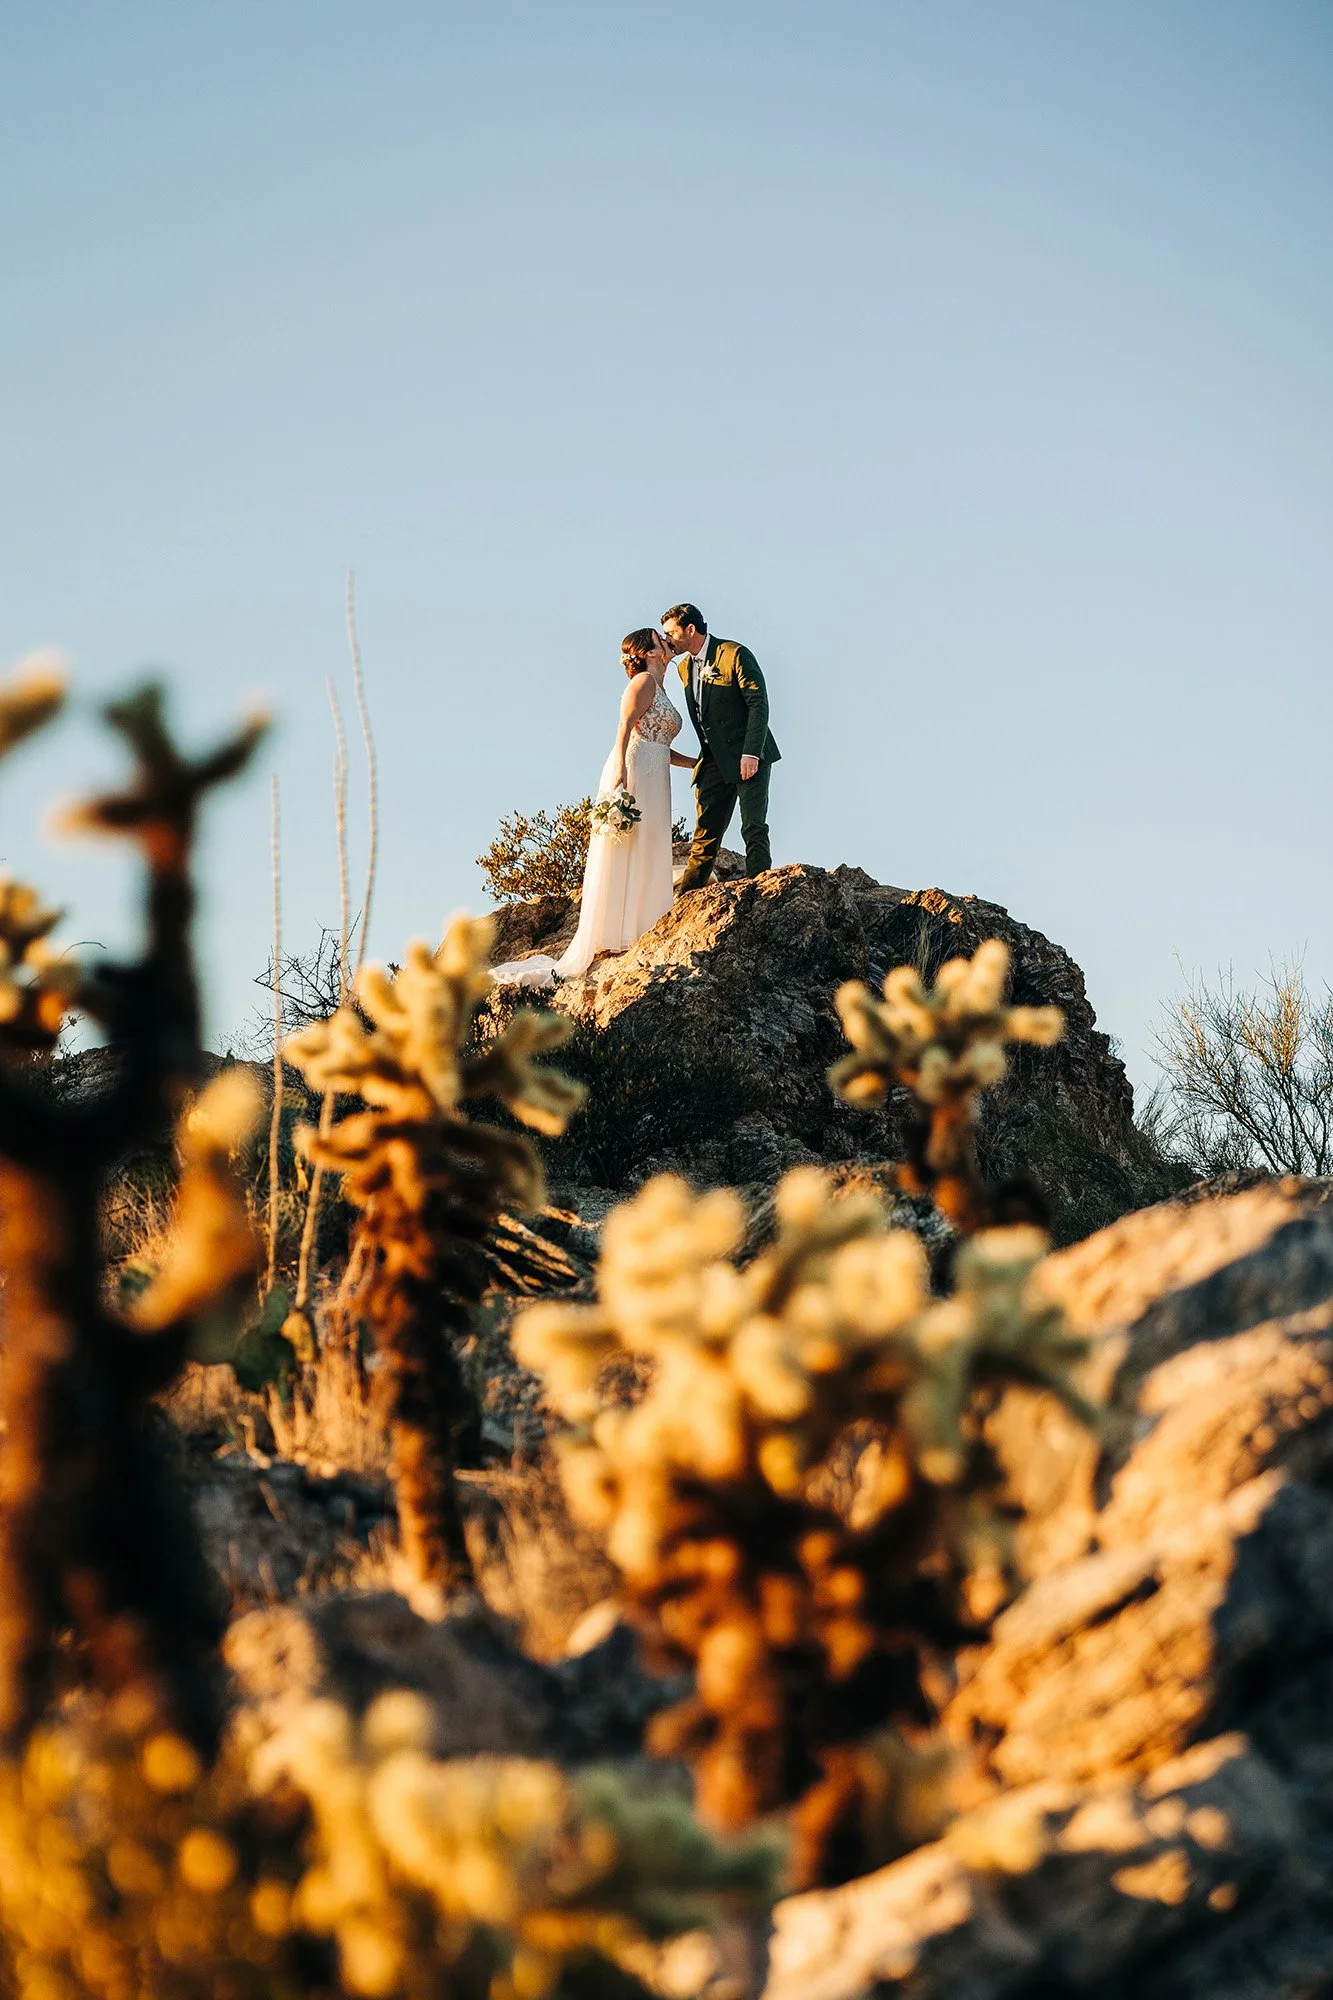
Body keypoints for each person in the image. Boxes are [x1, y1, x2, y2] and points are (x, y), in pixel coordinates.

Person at [490, 629, 694, 987]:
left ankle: (641, 924)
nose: (667, 642)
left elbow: (659, 743)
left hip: (655, 770)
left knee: (649, 844)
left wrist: (694, 763)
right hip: (632, 768)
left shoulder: (661, 687)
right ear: (648, 652)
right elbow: (625, 727)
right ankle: (615, 933)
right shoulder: (643, 682)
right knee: (627, 844)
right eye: (660, 640)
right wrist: (619, 767)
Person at [661, 602, 780, 890]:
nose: (667, 639)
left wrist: (751, 752)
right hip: (713, 759)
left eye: (671, 633)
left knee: (753, 825)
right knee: (705, 832)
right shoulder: (685, 667)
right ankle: (689, 891)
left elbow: (758, 704)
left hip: (748, 753)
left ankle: (760, 888)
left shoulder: (734, 654)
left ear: (690, 629)